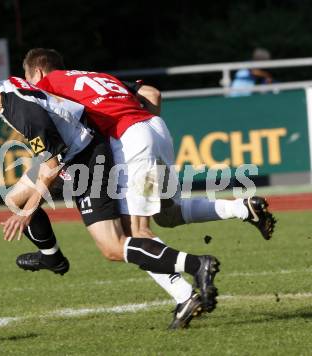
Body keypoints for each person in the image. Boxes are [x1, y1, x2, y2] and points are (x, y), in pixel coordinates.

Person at [0, 63, 221, 328]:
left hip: (88, 159)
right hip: (73, 155)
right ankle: (51, 256)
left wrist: (25, 214)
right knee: (15, 198)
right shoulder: (5, 93)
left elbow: (52, 169)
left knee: (113, 247)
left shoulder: (23, 112)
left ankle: (197, 264)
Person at [19, 48, 277, 327]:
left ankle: (184, 295)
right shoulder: (96, 76)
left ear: (37, 72)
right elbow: (153, 95)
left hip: (129, 139)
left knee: (133, 233)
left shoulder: (45, 86)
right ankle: (243, 207)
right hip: (155, 128)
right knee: (169, 214)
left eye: (28, 77)